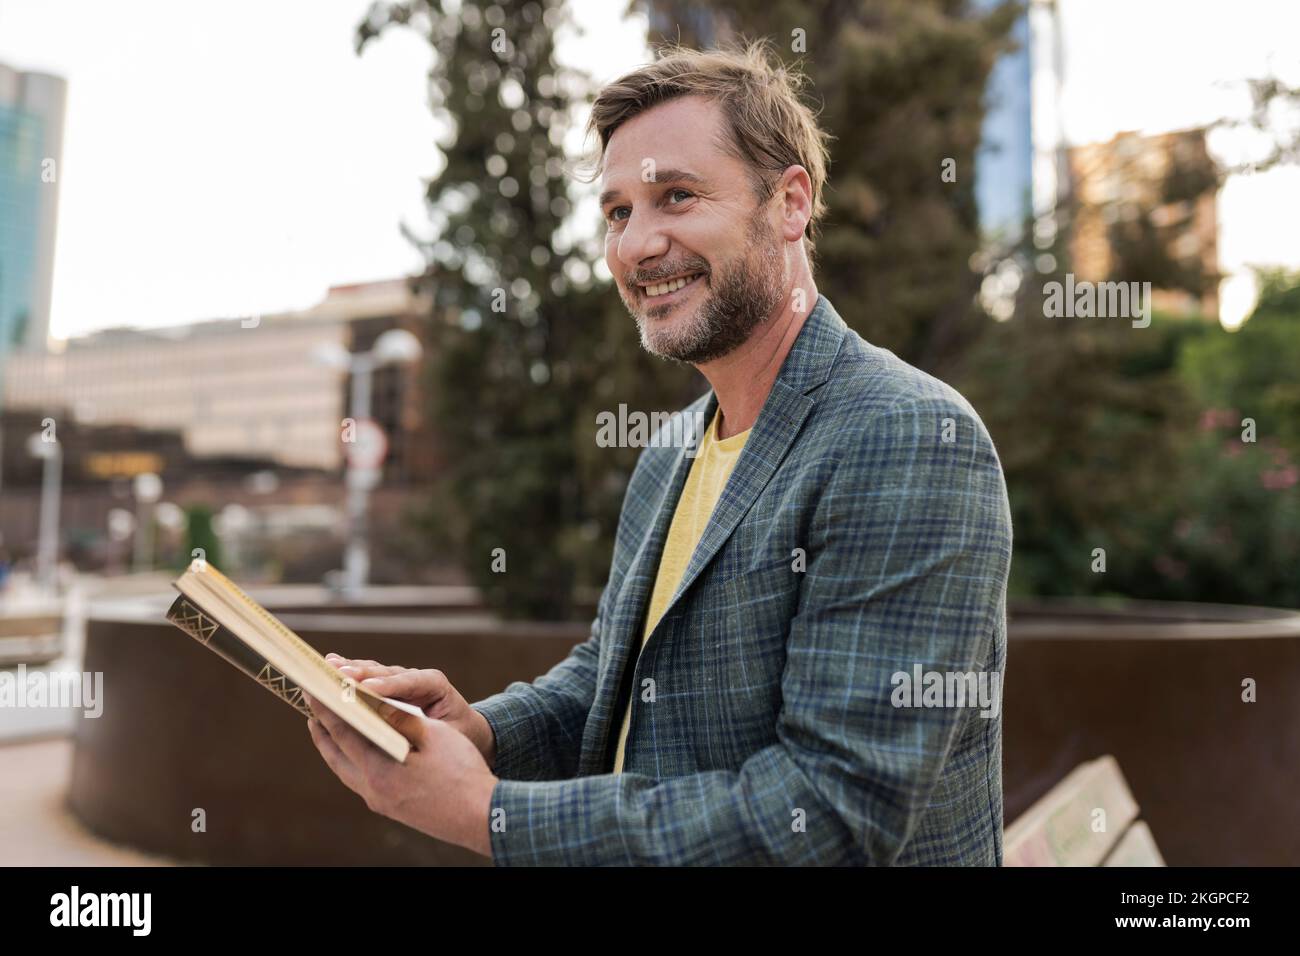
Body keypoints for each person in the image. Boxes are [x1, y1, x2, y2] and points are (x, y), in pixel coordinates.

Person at [304, 41, 1012, 866]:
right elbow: (613, 675)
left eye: (675, 196)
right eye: (617, 212)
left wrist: (488, 815)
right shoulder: (670, 450)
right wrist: (486, 730)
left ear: (789, 203)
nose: (637, 245)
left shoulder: (909, 437)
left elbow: (829, 812)